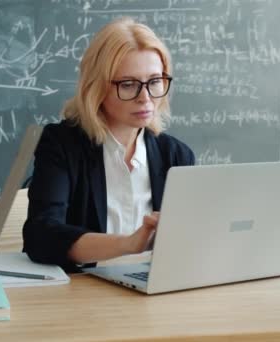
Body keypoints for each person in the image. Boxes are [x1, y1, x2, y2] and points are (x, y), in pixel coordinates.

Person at [22, 17, 195, 272]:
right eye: (128, 85)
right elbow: (41, 236)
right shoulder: (61, 144)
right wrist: (128, 244)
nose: (145, 98)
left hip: (156, 290)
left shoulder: (177, 155)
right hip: (83, 295)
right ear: (97, 88)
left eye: (155, 81)